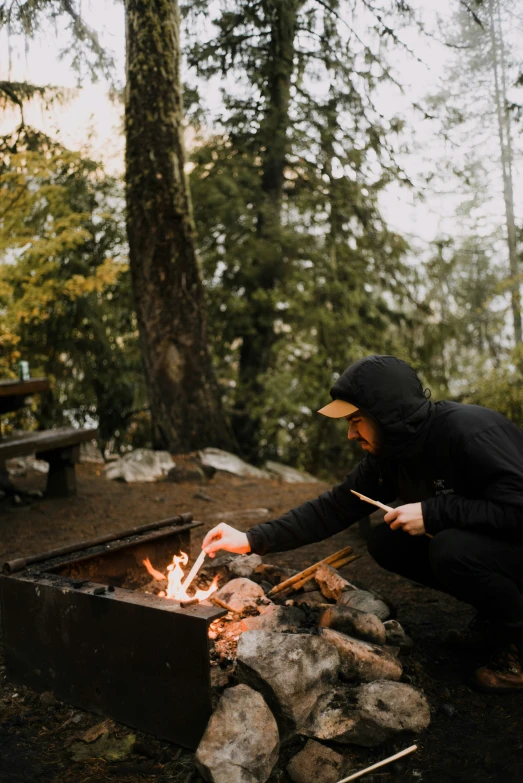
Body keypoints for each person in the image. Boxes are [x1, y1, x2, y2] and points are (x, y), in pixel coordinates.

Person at [202, 355, 523, 692]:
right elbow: (334, 508)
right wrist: (251, 539)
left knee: (450, 549)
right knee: (388, 542)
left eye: (356, 420)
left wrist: (435, 513)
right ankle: (495, 621)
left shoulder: (468, 432)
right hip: (498, 545)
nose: (350, 434)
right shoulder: (390, 454)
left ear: (388, 416)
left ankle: (518, 638)